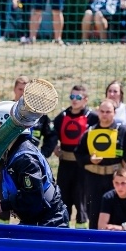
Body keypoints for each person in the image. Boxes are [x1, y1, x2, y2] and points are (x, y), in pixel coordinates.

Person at [0, 101, 68, 227]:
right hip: (36, 218)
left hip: (50, 221)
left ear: (8, 129)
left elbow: (33, 197)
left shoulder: (25, 158)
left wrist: (3, 205)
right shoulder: (13, 152)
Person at [76, 99, 126, 229]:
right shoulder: (90, 132)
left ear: (114, 113)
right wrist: (89, 159)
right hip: (94, 180)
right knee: (94, 214)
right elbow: (78, 154)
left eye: (108, 112)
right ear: (98, 112)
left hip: (115, 179)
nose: (105, 114)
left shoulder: (123, 131)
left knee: (115, 213)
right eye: (102, 111)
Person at [42, 85, 98, 228]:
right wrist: (53, 147)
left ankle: (83, 236)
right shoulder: (62, 116)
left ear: (85, 99)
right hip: (65, 165)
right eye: (72, 97)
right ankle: (63, 231)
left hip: (83, 167)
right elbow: (52, 134)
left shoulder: (92, 117)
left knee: (82, 202)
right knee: (64, 200)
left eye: (78, 97)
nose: (74, 100)